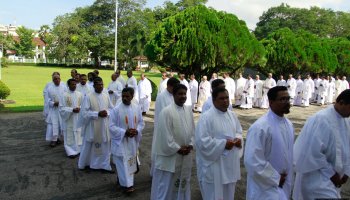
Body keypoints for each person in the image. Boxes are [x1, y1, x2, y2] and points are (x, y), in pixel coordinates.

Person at [293, 89, 350, 199]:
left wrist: (346, 172)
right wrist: (331, 174)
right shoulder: (321, 119)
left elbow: (347, 148)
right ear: (341, 102)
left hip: (335, 180)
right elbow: (312, 153)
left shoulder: (346, 120)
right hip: (317, 179)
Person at [244, 86, 294, 200]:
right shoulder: (260, 127)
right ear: (271, 102)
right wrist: (275, 177)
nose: (286, 102)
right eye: (282, 99)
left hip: (284, 183)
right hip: (264, 187)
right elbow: (252, 160)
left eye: (288, 99)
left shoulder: (289, 125)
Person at [196, 87, 243, 200]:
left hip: (230, 165)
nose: (225, 101)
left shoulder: (232, 115)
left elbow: (239, 132)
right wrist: (224, 144)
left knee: (228, 195)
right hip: (215, 167)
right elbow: (202, 142)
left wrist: (237, 140)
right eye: (221, 98)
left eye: (227, 98)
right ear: (214, 100)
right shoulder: (206, 118)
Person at [151, 84, 195, 200]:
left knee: (183, 185)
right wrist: (178, 148)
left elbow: (192, 130)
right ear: (174, 95)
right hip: (170, 159)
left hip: (184, 156)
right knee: (167, 188)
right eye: (180, 94)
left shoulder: (188, 110)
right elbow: (165, 136)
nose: (183, 96)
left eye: (184, 94)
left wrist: (190, 144)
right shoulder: (166, 112)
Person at [109, 87, 145, 193]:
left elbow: (141, 123)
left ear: (132, 96)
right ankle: (128, 185)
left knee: (130, 162)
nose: (124, 98)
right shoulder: (116, 110)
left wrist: (136, 130)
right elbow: (111, 126)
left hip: (132, 141)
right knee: (122, 163)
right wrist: (124, 132)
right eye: (123, 96)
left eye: (127, 96)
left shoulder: (136, 108)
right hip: (121, 141)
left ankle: (123, 180)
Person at [78, 77, 114, 171]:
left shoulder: (106, 95)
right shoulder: (89, 96)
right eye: (98, 84)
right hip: (93, 125)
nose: (101, 86)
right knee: (90, 144)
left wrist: (107, 112)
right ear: (94, 86)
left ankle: (104, 164)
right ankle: (87, 163)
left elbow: (111, 109)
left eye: (102, 84)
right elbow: (84, 113)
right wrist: (97, 114)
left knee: (105, 144)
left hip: (104, 124)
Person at [150, 77, 180, 176]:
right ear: (169, 86)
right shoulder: (162, 96)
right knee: (160, 149)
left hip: (173, 126)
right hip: (163, 127)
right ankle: (157, 172)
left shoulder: (172, 95)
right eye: (175, 87)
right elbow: (164, 113)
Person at [59, 78, 83, 158]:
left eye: (75, 84)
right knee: (70, 134)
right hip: (69, 118)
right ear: (68, 85)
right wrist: (72, 110)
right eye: (72, 84)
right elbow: (61, 108)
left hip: (78, 117)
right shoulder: (64, 95)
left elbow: (83, 105)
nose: (74, 86)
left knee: (78, 133)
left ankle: (79, 150)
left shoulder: (79, 94)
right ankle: (70, 151)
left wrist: (80, 108)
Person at [45, 74, 67, 147]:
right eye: (55, 79)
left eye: (58, 79)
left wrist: (62, 103)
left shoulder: (64, 87)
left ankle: (63, 139)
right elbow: (47, 100)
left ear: (60, 79)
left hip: (62, 109)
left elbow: (67, 98)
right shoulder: (49, 89)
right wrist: (53, 103)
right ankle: (54, 139)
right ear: (53, 80)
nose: (57, 80)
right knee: (53, 124)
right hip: (54, 109)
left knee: (62, 124)